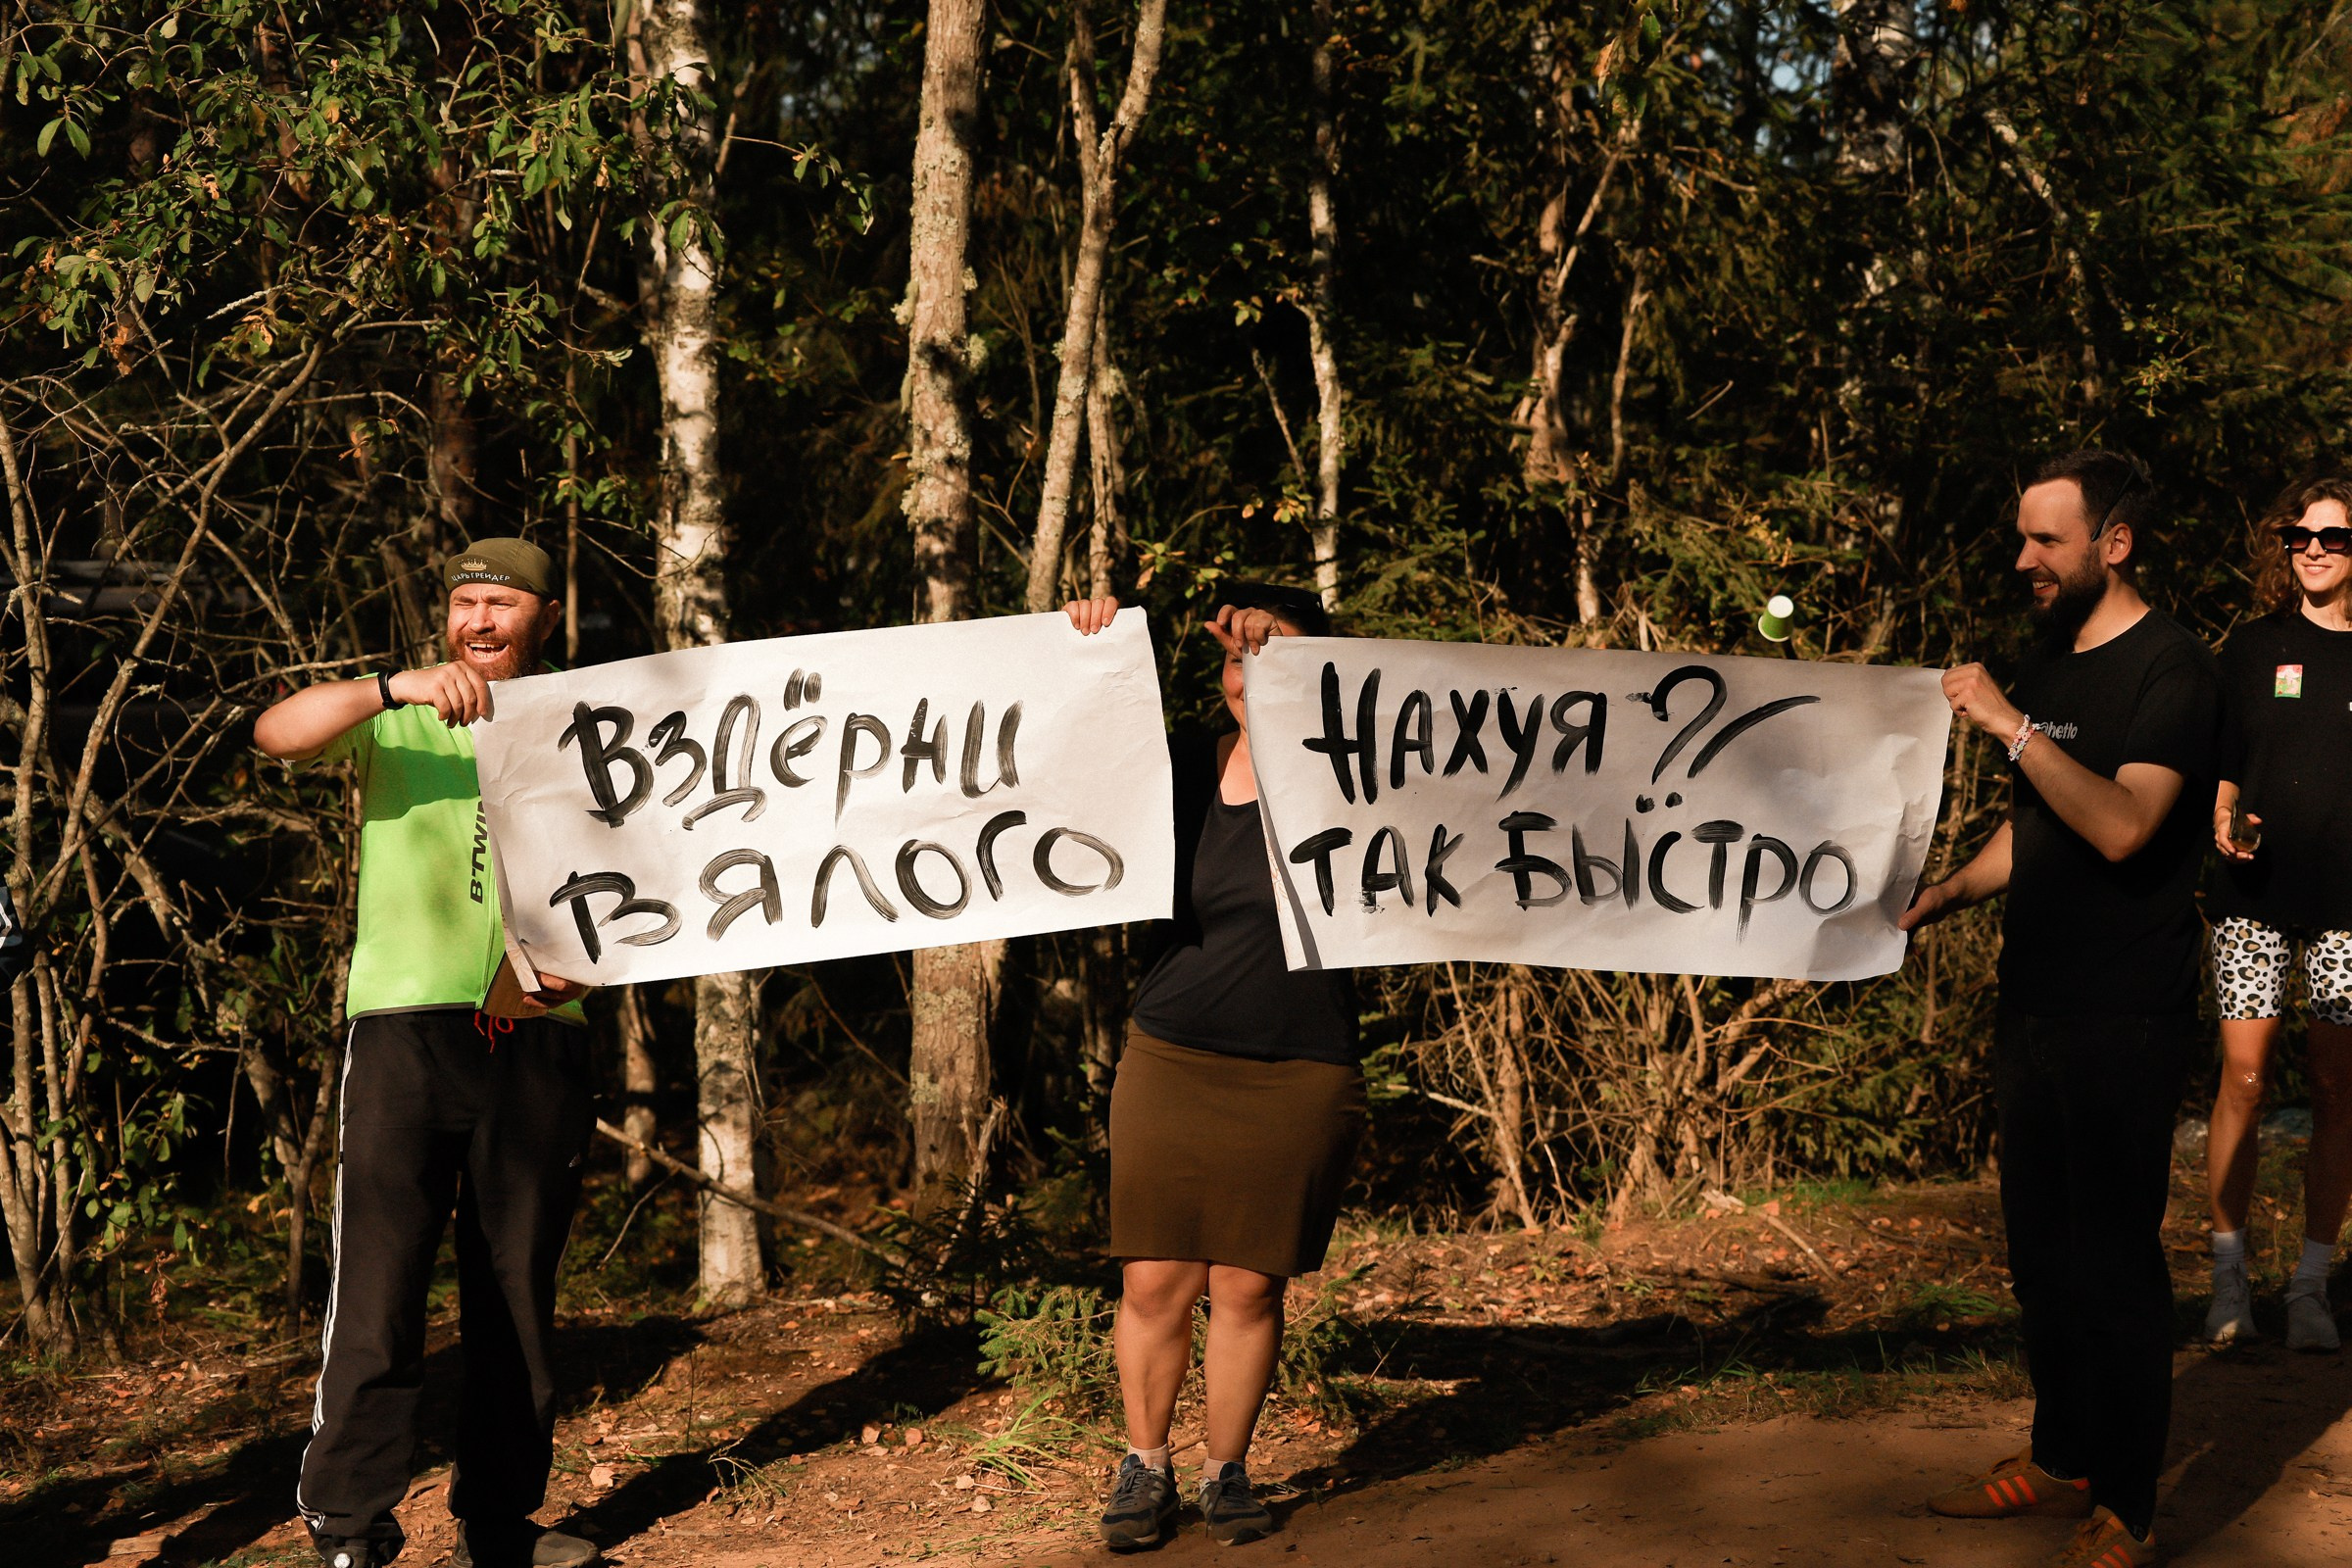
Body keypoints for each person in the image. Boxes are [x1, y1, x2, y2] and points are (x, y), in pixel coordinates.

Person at [1898, 452, 2220, 1568]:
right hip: (2031, 1000)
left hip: (2127, 1010)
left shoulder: (2173, 669)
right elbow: (2033, 829)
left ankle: (2126, 1505)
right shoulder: (2051, 660)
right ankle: (2062, 1455)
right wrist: (1935, 899)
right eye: (2021, 538)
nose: (2023, 559)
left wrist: (2006, 726)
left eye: (2047, 540)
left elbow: (2126, 824)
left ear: (2113, 544)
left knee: (2115, 1265)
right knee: (2040, 1257)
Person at [255, 540, 598, 1568]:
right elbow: (276, 733)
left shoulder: (594, 721)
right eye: (463, 603)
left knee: (516, 1293)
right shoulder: (392, 712)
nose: (479, 622)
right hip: (406, 1030)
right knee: (381, 1287)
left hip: (540, 1032)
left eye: (501, 603)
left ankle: (498, 1521)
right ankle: (351, 1524)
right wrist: (388, 684)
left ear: (542, 615)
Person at [1064, 584, 1362, 1551]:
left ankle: (1225, 1471)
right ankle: (1143, 1468)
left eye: (1275, 654)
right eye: (1238, 657)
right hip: (1174, 1054)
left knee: (1248, 1286)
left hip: (1302, 1062)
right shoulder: (1187, 767)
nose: (1250, 674)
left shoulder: (1363, 772)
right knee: (1154, 1281)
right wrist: (1088, 646)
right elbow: (1068, 761)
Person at [2203, 477, 2352, 1353]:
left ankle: (2309, 1291)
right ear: (2284, 545)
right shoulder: (2252, 646)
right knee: (2245, 1085)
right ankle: (2228, 1285)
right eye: (2301, 535)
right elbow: (2226, 765)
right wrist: (2225, 825)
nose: (2316, 549)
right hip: (2252, 903)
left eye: (2335, 537)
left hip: (2347, 909)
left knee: (2336, 1092)